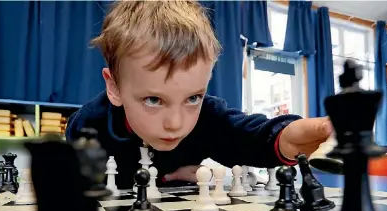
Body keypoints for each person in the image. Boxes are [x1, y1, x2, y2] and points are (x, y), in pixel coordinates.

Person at [65, 1, 332, 189]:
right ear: (114, 88)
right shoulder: (91, 124)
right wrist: (162, 178)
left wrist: (285, 138)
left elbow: (245, 135)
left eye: (193, 97)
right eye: (154, 100)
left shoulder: (207, 118)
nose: (176, 123)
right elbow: (82, 172)